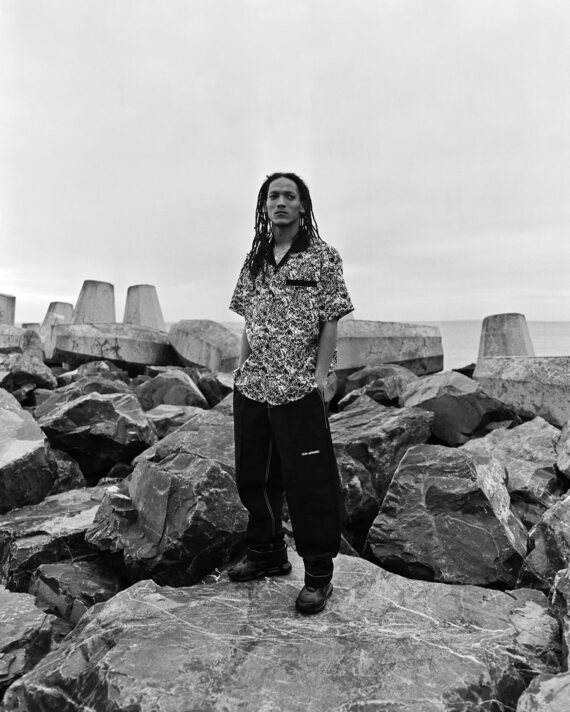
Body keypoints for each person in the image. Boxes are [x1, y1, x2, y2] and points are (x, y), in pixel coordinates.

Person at [228, 172, 354, 614]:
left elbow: (331, 320)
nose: (280, 202)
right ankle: (266, 552)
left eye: (289, 195)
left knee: (309, 484)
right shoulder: (256, 259)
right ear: (265, 206)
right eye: (273, 196)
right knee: (254, 476)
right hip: (255, 385)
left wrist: (321, 377)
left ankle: (318, 575)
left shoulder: (323, 257)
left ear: (303, 206)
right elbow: (248, 320)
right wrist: (240, 367)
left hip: (298, 386)